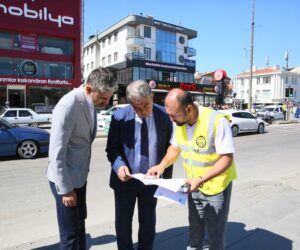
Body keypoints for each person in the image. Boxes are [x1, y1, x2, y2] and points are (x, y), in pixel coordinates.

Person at [147, 88, 237, 250]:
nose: (171, 119)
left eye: (173, 115)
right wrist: (161, 166)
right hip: (193, 187)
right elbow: (174, 149)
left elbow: (227, 159)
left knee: (215, 236)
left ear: (188, 109)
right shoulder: (179, 123)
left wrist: (201, 179)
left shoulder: (216, 121)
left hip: (216, 189)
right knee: (195, 233)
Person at [46, 67, 117, 249]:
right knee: (70, 235)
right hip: (66, 181)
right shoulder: (68, 106)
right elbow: (56, 152)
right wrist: (66, 189)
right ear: (88, 89)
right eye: (102, 98)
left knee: (79, 226)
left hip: (79, 178)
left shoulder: (90, 101)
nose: (106, 102)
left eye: (108, 97)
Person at [106, 80, 173, 250]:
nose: (143, 111)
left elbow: (172, 147)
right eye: (137, 107)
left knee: (148, 222)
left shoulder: (164, 116)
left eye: (146, 105)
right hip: (125, 181)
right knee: (123, 224)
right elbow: (112, 149)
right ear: (129, 103)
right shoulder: (119, 117)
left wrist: (163, 169)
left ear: (152, 97)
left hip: (152, 181)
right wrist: (119, 166)